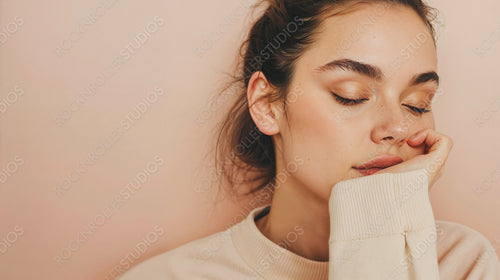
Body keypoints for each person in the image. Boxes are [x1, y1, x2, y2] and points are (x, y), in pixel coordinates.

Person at [119, 0, 500, 279]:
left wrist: (375, 221)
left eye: (418, 104)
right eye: (351, 95)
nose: (397, 127)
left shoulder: (461, 263)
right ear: (268, 104)